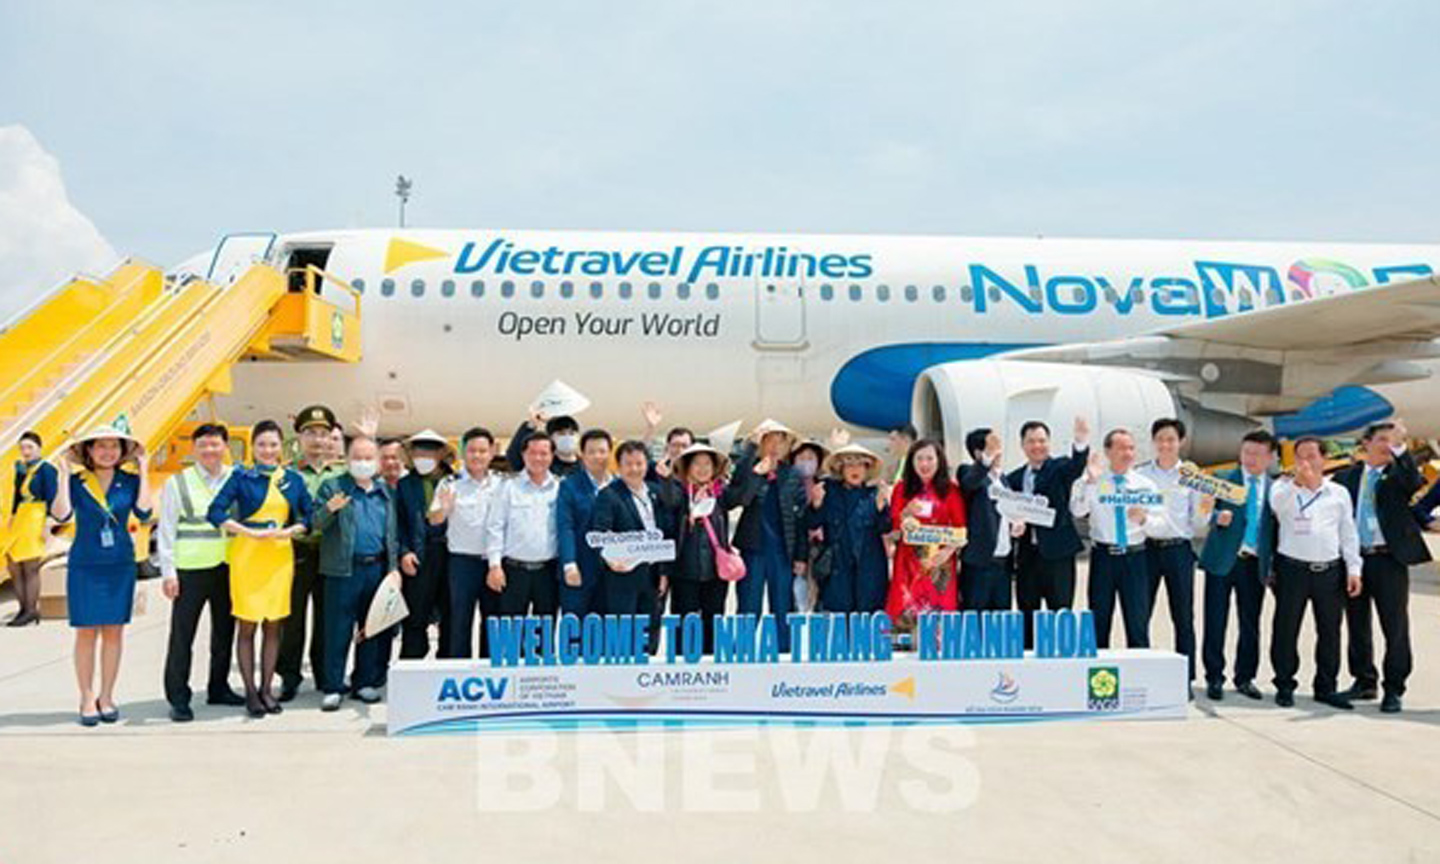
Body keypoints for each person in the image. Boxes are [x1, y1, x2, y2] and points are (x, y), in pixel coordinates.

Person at [49, 426, 153, 726]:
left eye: (114, 446)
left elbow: (144, 512)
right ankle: (86, 695)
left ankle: (107, 695)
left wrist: (144, 468)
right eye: (101, 446)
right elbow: (62, 515)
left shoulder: (130, 481)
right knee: (85, 631)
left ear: (123, 452)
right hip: (85, 564)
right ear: (89, 451)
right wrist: (62, 474)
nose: (108, 452)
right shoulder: (76, 482)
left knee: (114, 631)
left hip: (119, 563)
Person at [207, 420, 311, 717]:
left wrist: (291, 531)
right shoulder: (241, 477)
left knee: (274, 625)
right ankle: (250, 692)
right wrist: (244, 531)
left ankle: (268, 688)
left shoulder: (292, 479)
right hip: (248, 553)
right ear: (253, 447)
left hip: (279, 555)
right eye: (262, 444)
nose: (268, 450)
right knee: (247, 626)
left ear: (282, 447)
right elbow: (215, 512)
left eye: (273, 444)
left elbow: (309, 515)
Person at [1333, 420, 1426, 713]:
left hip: (1388, 559)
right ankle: (1364, 681)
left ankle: (1394, 688)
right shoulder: (1345, 478)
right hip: (1356, 560)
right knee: (1357, 623)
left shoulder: (1398, 476)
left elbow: (1414, 481)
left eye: (1393, 441)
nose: (1387, 445)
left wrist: (1401, 446)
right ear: (1366, 444)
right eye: (1382, 439)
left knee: (1394, 626)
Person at [1269, 437, 1363, 710]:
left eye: (1312, 456)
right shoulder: (1283, 488)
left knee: (1330, 631)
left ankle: (1326, 686)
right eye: (1300, 456)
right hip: (1292, 569)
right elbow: (1278, 507)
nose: (1306, 462)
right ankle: (1284, 684)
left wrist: (1353, 568)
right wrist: (1299, 483)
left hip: (1329, 572)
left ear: (1324, 459)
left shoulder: (1338, 493)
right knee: (1286, 629)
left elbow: (1348, 532)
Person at [157, 423, 243, 722]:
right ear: (194, 449)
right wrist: (168, 572)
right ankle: (178, 697)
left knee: (224, 633)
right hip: (189, 570)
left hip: (227, 567)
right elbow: (166, 531)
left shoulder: (236, 478)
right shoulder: (177, 483)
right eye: (203, 445)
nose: (209, 450)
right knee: (183, 636)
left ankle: (218, 687)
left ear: (225, 447)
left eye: (215, 444)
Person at [312, 435, 401, 710]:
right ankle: (333, 685)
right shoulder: (334, 487)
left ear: (376, 462)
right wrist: (330, 509)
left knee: (371, 628)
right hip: (343, 570)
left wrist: (394, 569)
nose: (363, 463)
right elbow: (314, 523)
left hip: (375, 568)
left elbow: (392, 534)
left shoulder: (385, 492)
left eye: (368, 458)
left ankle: (364, 681)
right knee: (337, 629)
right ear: (347, 460)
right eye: (357, 458)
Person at [657, 441, 760, 654]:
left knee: (713, 622)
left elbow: (743, 495)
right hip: (684, 572)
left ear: (714, 468)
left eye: (707, 464)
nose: (702, 468)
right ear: (687, 467)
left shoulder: (720, 495)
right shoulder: (680, 493)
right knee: (684, 623)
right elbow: (669, 500)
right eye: (697, 463)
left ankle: (710, 670)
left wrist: (753, 464)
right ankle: (681, 670)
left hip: (715, 574)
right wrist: (666, 479)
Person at [1198, 430, 1278, 701]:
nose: (1250, 459)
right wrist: (1217, 515)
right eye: (1246, 453)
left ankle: (1245, 677)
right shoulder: (1223, 481)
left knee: (1250, 623)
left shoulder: (1276, 487)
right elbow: (1202, 510)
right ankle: (1214, 677)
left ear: (1270, 457)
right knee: (1215, 620)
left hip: (1254, 564)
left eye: (1257, 454)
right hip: (1222, 560)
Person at [1071, 429, 1164, 649]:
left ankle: (1139, 676)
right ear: (1108, 451)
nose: (1128, 453)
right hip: (1104, 557)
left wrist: (1144, 521)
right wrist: (1090, 482)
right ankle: (1099, 678)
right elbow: (1077, 510)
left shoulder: (1145, 485)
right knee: (1099, 621)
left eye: (1131, 448)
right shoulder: (1094, 481)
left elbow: (1160, 524)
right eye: (1122, 448)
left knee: (1137, 622)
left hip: (1135, 557)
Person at [1006, 416, 1091, 648]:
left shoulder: (1060, 468)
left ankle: (1062, 666)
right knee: (1027, 613)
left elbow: (1076, 466)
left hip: (1058, 554)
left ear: (1049, 443)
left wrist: (1081, 443)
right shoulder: (1013, 479)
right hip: (1027, 556)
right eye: (1031, 441)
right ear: (1023, 445)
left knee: (1060, 613)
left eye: (1042, 441)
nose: (1037, 446)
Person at [279, 404, 343, 701]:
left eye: (323, 433)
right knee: (292, 619)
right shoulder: (287, 475)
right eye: (310, 433)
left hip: (331, 553)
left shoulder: (342, 473)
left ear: (332, 438)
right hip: (297, 552)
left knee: (327, 618)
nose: (317, 440)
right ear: (299, 438)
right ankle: (289, 677)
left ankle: (325, 674)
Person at [1136, 418, 1202, 680]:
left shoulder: (1192, 476)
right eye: (1160, 439)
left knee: (1183, 616)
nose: (1165, 444)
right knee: (1141, 613)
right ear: (1153, 442)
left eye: (1171, 439)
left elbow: (1198, 520)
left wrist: (1208, 508)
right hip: (1147, 550)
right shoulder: (1141, 475)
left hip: (1178, 550)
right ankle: (1141, 671)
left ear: (1181, 442)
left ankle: (1186, 676)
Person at [733, 421, 807, 652]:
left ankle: (784, 656)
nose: (775, 446)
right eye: (769, 440)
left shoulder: (793, 475)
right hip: (753, 550)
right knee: (748, 606)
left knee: (783, 608)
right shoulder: (751, 468)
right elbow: (739, 496)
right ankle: (743, 655)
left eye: (780, 441)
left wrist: (801, 556)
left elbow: (801, 518)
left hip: (783, 552)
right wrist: (754, 466)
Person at [431, 427, 502, 658]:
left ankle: (488, 672)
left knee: (492, 621)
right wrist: (444, 509)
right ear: (463, 452)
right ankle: (459, 672)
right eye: (472, 450)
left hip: (493, 563)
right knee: (459, 620)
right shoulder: (450, 483)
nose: (477, 456)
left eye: (483, 450)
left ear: (492, 452)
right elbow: (434, 519)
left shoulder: (501, 483)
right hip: (461, 564)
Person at [590, 440, 671, 631]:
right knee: (623, 634)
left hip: (652, 575)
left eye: (639, 463)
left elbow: (666, 533)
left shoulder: (656, 492)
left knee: (650, 632)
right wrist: (609, 558)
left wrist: (664, 572)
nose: (634, 469)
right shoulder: (609, 495)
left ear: (646, 465)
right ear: (619, 466)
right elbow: (600, 532)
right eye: (628, 464)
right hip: (623, 575)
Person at [887, 439, 966, 631]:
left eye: (930, 458)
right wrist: (905, 512)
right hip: (908, 562)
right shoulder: (901, 488)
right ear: (911, 462)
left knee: (939, 613)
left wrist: (947, 552)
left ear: (939, 461)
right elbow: (895, 528)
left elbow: (961, 528)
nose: (924, 464)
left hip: (940, 562)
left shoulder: (951, 489)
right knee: (905, 607)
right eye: (919, 459)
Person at [806, 444, 889, 614]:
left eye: (860, 465)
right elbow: (812, 523)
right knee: (837, 623)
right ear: (841, 469)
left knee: (867, 621)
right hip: (837, 570)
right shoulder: (829, 491)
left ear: (867, 469)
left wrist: (882, 508)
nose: (855, 469)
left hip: (869, 570)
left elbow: (886, 528)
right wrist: (816, 504)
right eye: (849, 465)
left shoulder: (875, 494)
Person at [486, 434, 562, 617]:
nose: (538, 458)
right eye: (532, 453)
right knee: (512, 631)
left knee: (544, 633)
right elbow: (495, 527)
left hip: (548, 572)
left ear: (552, 456)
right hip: (513, 571)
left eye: (543, 453)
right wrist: (494, 566)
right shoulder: (508, 487)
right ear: (523, 455)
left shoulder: (560, 487)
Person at [396, 429, 455, 658]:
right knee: (415, 613)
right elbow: (398, 523)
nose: (423, 457)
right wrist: (404, 552)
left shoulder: (454, 481)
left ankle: (447, 662)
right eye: (419, 452)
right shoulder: (405, 485)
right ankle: (412, 663)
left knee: (450, 612)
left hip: (450, 553)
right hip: (419, 553)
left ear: (440, 454)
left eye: (429, 453)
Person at [956, 428, 1015, 612]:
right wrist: (986, 459)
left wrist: (1016, 522)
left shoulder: (1003, 479)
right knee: (975, 615)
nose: (999, 451)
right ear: (978, 453)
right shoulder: (968, 472)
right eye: (993, 446)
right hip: (980, 562)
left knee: (1000, 618)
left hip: (1003, 562)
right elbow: (969, 483)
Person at [557, 429, 614, 617]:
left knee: (606, 634)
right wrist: (569, 563)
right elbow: (566, 527)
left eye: (602, 451)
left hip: (612, 573)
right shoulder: (569, 486)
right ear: (582, 454)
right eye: (591, 451)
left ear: (610, 452)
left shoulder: (619, 486)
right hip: (579, 570)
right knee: (574, 633)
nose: (598, 456)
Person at [4, 430, 58, 626]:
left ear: (39, 448)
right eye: (22, 448)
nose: (25, 452)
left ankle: (30, 610)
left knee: (30, 566)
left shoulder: (47, 470)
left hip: (37, 516)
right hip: (21, 517)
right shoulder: (22, 469)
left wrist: (48, 525)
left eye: (29, 447)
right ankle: (24, 608)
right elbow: (17, 497)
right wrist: (12, 516)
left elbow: (52, 498)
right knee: (12, 562)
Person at [789, 439, 829, 613]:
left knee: (819, 595)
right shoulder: (788, 486)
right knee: (798, 597)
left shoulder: (825, 486)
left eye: (811, 458)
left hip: (822, 551)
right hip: (797, 549)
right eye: (801, 458)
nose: (806, 462)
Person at [506, 412, 582, 477]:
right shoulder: (542, 465)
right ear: (550, 439)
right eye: (561, 434)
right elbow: (515, 457)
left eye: (572, 433)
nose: (567, 437)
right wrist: (531, 425)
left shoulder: (587, 465)